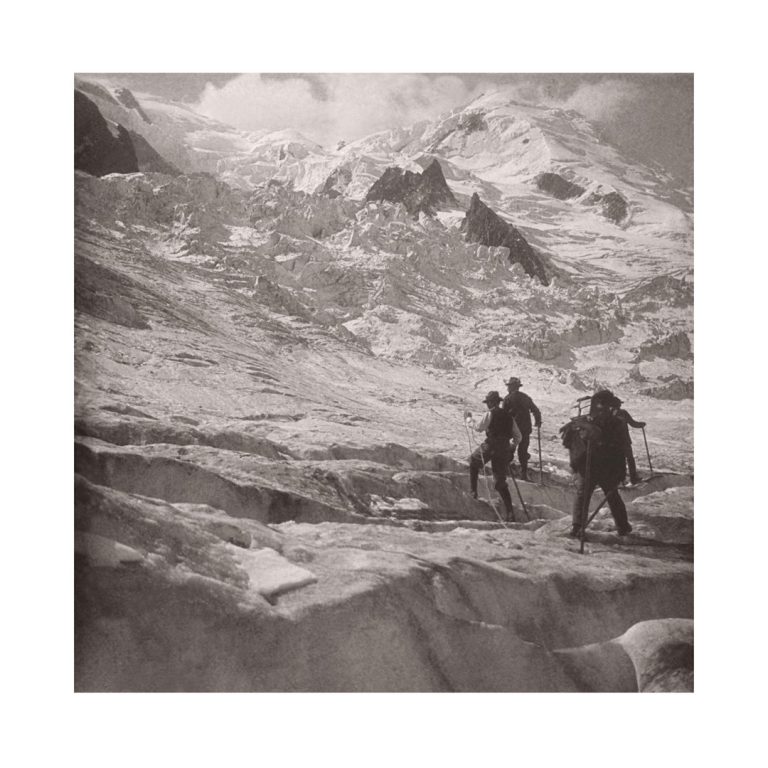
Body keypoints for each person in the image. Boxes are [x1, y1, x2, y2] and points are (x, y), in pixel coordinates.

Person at [567, 389, 632, 538]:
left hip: (598, 467)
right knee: (592, 495)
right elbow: (621, 448)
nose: (602, 408)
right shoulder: (587, 422)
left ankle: (621, 526)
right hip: (594, 465)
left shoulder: (587, 421)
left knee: (593, 495)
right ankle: (578, 527)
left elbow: (619, 448)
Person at [464, 391, 521, 521]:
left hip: (491, 445)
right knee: (500, 482)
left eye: (488, 402)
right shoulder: (509, 417)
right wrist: (511, 448)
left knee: (473, 461)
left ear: (490, 402)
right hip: (504, 448)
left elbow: (479, 427)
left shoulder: (490, 413)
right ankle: (510, 513)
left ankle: (473, 492)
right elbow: (518, 436)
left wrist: (469, 419)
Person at [502, 377, 542, 481]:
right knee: (523, 451)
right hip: (525, 430)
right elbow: (536, 411)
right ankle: (523, 474)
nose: (507, 388)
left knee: (510, 449)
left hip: (513, 430)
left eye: (508, 386)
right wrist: (537, 421)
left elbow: (503, 416)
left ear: (511, 387)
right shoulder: (525, 397)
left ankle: (505, 471)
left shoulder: (507, 399)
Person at [610, 396, 646, 485]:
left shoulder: (610, 414)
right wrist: (640, 425)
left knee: (619, 460)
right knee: (629, 459)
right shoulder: (623, 413)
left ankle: (621, 480)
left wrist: (640, 424)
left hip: (615, 443)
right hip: (623, 441)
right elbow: (632, 423)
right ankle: (632, 478)